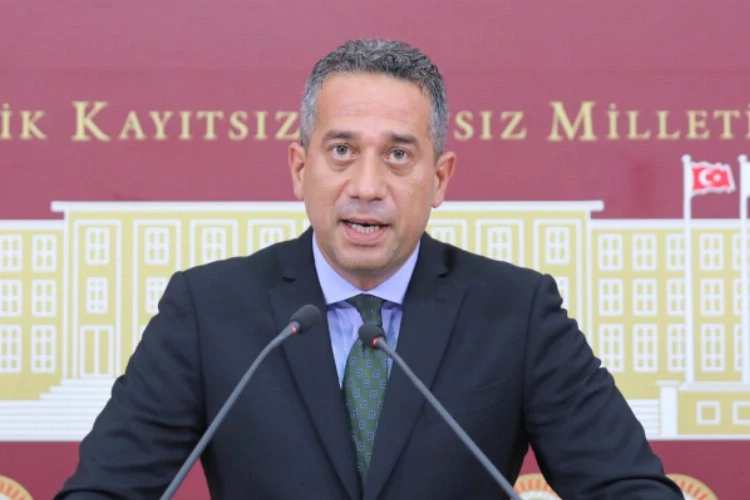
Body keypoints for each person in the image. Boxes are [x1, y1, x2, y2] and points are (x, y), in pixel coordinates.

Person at [56, 39, 683, 499]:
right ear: (300, 169)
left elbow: (627, 488)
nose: (366, 186)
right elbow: (105, 491)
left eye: (399, 155)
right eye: (341, 150)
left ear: (440, 179)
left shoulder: (516, 312)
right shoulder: (208, 309)